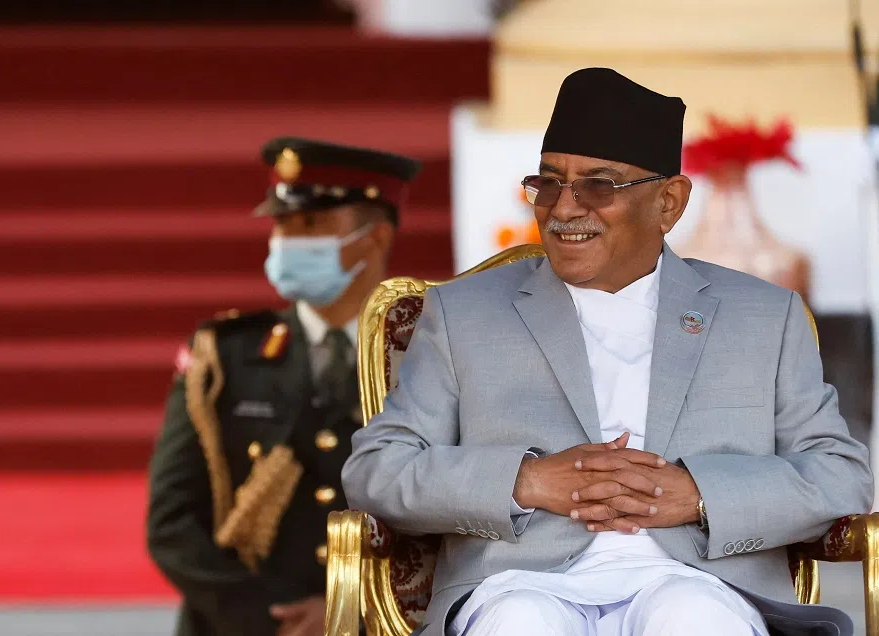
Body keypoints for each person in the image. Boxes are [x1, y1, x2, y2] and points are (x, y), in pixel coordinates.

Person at [341, 69, 873, 636]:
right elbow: (378, 469)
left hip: (703, 581)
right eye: (549, 183)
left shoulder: (761, 315)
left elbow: (839, 474)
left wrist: (700, 494)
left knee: (691, 618)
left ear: (668, 202)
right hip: (517, 582)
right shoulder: (462, 313)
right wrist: (525, 481)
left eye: (599, 185)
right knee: (524, 623)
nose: (564, 208)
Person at [147, 137, 420, 636]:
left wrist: (349, 612)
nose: (289, 241)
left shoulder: (428, 353)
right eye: (282, 224)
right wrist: (271, 619)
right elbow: (172, 522)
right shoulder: (225, 356)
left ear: (376, 238)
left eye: (311, 225)